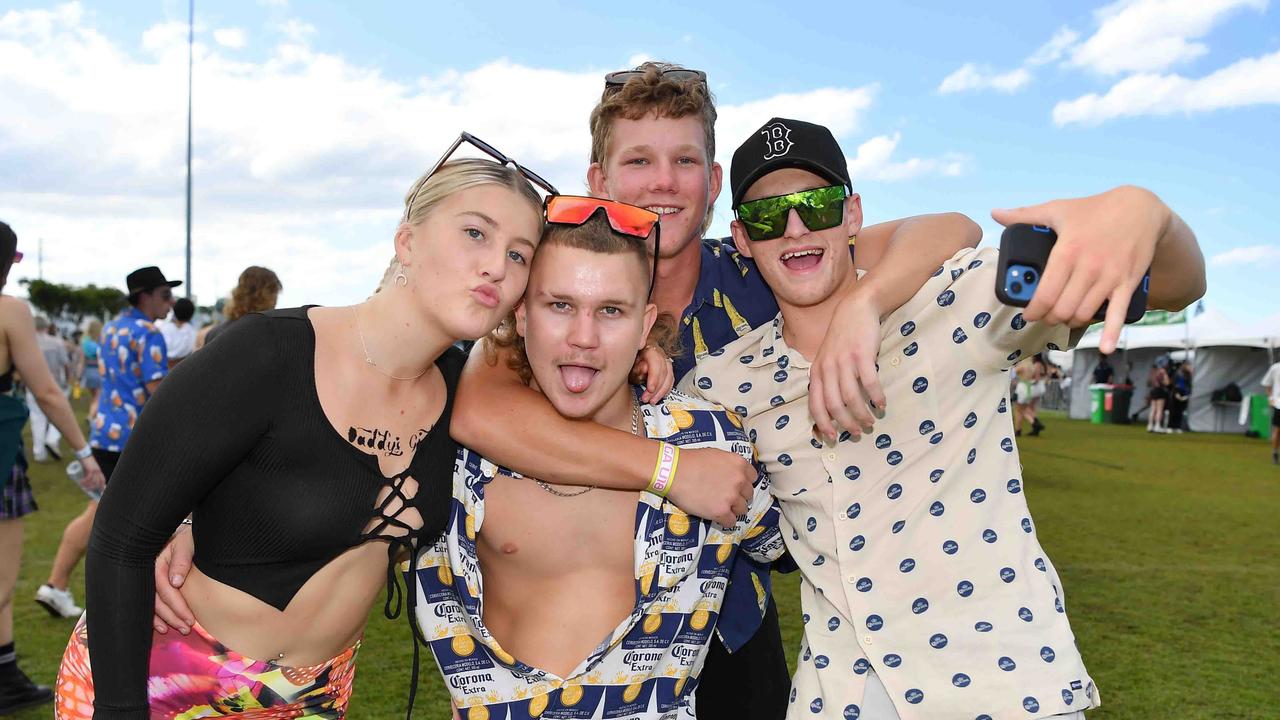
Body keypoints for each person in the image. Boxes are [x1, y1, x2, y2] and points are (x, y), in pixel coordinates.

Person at [447, 62, 982, 719]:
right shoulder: (560, 287)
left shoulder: (764, 270)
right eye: (639, 160)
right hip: (576, 633)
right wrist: (670, 471)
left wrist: (866, 303)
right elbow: (479, 411)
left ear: (714, 183)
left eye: (686, 160)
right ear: (599, 181)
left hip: (734, 624)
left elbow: (947, 229)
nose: (664, 182)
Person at [681, 117, 1205, 720]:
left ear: (853, 215)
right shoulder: (723, 382)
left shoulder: (954, 300)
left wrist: (1145, 213)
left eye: (817, 206)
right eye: (769, 217)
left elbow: (1178, 284)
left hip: (1003, 686)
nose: (796, 228)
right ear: (743, 240)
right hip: (843, 697)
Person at [54, 145, 557, 720]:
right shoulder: (268, 354)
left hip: (317, 696)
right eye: (475, 233)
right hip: (167, 675)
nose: (496, 264)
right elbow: (121, 540)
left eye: (519, 255)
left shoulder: (467, 395)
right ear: (407, 241)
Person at [412, 202, 785, 719]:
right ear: (520, 316)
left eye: (611, 311)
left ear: (645, 326)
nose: (583, 338)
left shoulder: (712, 441)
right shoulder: (458, 454)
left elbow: (799, 547)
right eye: (559, 305)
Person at [0, 221, 105, 714]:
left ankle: (6, 674)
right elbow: (46, 392)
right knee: (2, 581)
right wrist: (84, 454)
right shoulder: (10, 311)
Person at [34, 266, 178, 622]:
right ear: (145, 295)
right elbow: (156, 392)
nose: (171, 302)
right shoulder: (148, 333)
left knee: (97, 513)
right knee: (148, 521)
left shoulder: (112, 327)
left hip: (105, 433)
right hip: (136, 438)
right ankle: (119, 597)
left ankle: (57, 585)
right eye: (164, 294)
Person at [196, 266, 282, 349]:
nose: (276, 301)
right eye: (275, 294)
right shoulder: (274, 335)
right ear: (267, 295)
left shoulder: (214, 334)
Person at [26, 316, 73, 461]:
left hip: (32, 385)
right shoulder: (57, 342)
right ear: (46, 327)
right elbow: (65, 364)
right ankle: (52, 438)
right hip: (55, 384)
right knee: (59, 414)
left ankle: (39, 452)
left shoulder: (28, 343)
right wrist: (68, 378)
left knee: (37, 418)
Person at [158, 297, 198, 367]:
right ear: (191, 315)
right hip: (184, 369)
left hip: (164, 369)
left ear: (174, 310)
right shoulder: (193, 332)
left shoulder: (163, 328)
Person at [79, 319, 102, 413]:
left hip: (88, 372)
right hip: (99, 371)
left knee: (94, 396)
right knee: (98, 397)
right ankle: (91, 416)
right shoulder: (102, 341)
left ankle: (92, 413)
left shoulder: (85, 342)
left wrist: (79, 375)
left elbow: (82, 361)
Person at [1261, 359, 1280, 464]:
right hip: (1278, 404)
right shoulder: (1275, 368)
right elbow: (1267, 384)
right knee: (1277, 430)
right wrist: (1270, 399)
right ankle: (1275, 453)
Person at [1146, 359, 1172, 433]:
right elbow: (1167, 383)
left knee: (1153, 409)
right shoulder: (1162, 372)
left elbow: (1149, 382)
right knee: (1159, 409)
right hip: (1160, 391)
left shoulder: (1153, 372)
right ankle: (1157, 425)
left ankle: (1150, 425)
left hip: (1153, 390)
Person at [1168, 361, 1192, 433]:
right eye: (1188, 366)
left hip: (1184, 393)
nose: (1189, 367)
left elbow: (1189, 386)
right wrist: (1176, 393)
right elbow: (1174, 384)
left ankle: (1177, 427)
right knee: (1173, 411)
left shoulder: (1188, 375)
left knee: (1180, 411)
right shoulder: (1177, 374)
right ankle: (1170, 426)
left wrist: (1187, 395)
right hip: (1177, 393)